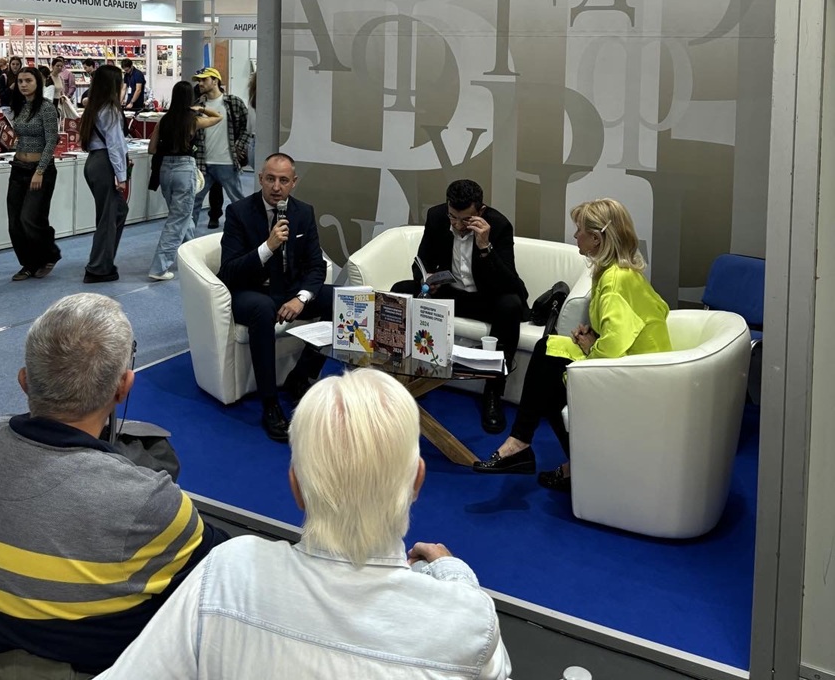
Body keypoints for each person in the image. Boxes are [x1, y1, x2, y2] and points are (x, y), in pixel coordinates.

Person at [91, 368, 512, 680]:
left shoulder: (228, 571)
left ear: (296, 487)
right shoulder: (467, 619)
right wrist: (454, 574)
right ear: (417, 480)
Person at [0, 293, 227, 675]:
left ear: (24, 381)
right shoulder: (147, 499)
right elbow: (224, 566)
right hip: (93, 664)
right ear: (123, 387)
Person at [473, 198, 672, 487]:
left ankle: (545, 455)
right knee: (546, 350)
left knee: (550, 379)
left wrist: (592, 345)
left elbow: (614, 347)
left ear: (597, 238)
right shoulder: (618, 272)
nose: (575, 235)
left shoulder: (615, 280)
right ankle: (530, 448)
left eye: (579, 230)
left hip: (640, 377)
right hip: (640, 366)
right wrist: (594, 337)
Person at [391, 178, 527, 433]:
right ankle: (404, 375)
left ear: (480, 212)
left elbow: (509, 284)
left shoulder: (499, 225)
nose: (457, 225)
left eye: (465, 220)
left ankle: (493, 392)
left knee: (510, 305)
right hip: (450, 294)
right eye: (453, 217)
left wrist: (485, 247)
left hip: (485, 298)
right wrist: (425, 280)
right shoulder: (437, 217)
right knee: (401, 289)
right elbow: (420, 261)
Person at [218, 153, 331, 442]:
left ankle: (300, 376)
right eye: (270, 179)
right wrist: (267, 247)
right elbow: (229, 271)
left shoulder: (303, 212)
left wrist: (302, 298)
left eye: (283, 180)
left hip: (289, 291)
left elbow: (316, 266)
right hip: (250, 291)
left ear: (294, 182)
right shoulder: (239, 212)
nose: (276, 187)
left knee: (340, 301)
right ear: (260, 179)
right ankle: (270, 403)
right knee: (263, 308)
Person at [147, 80, 222, 281]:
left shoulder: (164, 120)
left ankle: (191, 257)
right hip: (184, 169)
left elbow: (152, 149)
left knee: (183, 216)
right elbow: (218, 117)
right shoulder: (193, 121)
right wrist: (201, 109)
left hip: (165, 170)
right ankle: (159, 267)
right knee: (178, 219)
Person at [6, 67, 61, 282]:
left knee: (29, 218)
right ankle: (28, 264)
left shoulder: (46, 108)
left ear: (38, 82)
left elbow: (51, 141)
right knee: (14, 222)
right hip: (18, 167)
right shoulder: (20, 106)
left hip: (40, 169)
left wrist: (40, 171)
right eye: (20, 81)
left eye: (28, 80)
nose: (23, 84)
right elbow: (20, 134)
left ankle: (50, 254)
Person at [80, 64, 128, 283]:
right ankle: (98, 267)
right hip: (105, 162)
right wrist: (121, 176)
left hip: (94, 161)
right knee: (108, 218)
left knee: (118, 211)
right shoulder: (110, 109)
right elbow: (115, 144)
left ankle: (103, 259)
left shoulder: (94, 107)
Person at [191, 67, 249, 229]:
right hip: (202, 163)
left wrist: (239, 146)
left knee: (238, 200)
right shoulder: (198, 105)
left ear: (215, 81)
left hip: (227, 162)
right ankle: (187, 237)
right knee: (194, 201)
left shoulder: (233, 102)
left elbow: (247, 127)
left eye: (204, 79)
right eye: (199, 80)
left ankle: (248, 232)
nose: (200, 83)